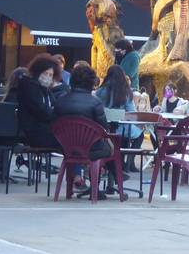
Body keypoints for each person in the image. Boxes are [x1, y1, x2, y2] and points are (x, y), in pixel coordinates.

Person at [55, 64, 123, 198]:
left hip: (66, 147)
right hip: (91, 149)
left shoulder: (60, 101)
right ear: (91, 82)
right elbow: (104, 128)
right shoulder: (95, 102)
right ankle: (100, 187)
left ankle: (73, 188)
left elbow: (53, 122)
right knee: (111, 146)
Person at [96, 65, 144, 174]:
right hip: (122, 129)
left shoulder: (100, 91)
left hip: (104, 130)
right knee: (139, 134)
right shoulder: (126, 92)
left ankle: (118, 165)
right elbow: (132, 114)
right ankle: (129, 163)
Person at [17, 53, 59, 149]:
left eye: (50, 75)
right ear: (37, 72)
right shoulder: (30, 87)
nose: (47, 77)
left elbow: (53, 107)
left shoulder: (46, 90)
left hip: (44, 130)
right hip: (33, 132)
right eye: (45, 73)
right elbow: (42, 110)